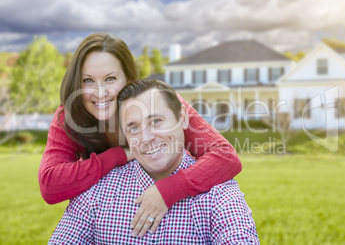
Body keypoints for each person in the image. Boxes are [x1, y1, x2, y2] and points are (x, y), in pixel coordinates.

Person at [39, 33, 242, 235]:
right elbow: (50, 185)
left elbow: (226, 157)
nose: (100, 92)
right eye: (88, 80)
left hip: (175, 199)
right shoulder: (70, 117)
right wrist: (121, 154)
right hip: (114, 204)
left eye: (110, 78)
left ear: (128, 78)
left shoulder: (158, 103)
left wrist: (168, 190)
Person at [48, 79, 259, 244]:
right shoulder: (97, 192)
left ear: (183, 117)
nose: (146, 137)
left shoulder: (220, 195)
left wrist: (171, 189)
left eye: (156, 121)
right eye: (134, 128)